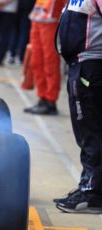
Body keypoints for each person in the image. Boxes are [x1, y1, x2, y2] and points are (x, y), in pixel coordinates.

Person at [53, 0, 102, 213]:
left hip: (90, 67)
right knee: (85, 132)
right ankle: (89, 186)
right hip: (80, 65)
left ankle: (92, 192)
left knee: (90, 132)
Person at [23, 0, 65, 115]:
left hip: (52, 20)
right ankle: (42, 98)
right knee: (36, 62)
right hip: (38, 17)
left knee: (50, 62)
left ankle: (50, 101)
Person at [8, 0, 35, 64]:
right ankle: (21, 56)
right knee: (24, 31)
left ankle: (12, 54)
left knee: (15, 30)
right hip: (27, 5)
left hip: (16, 4)